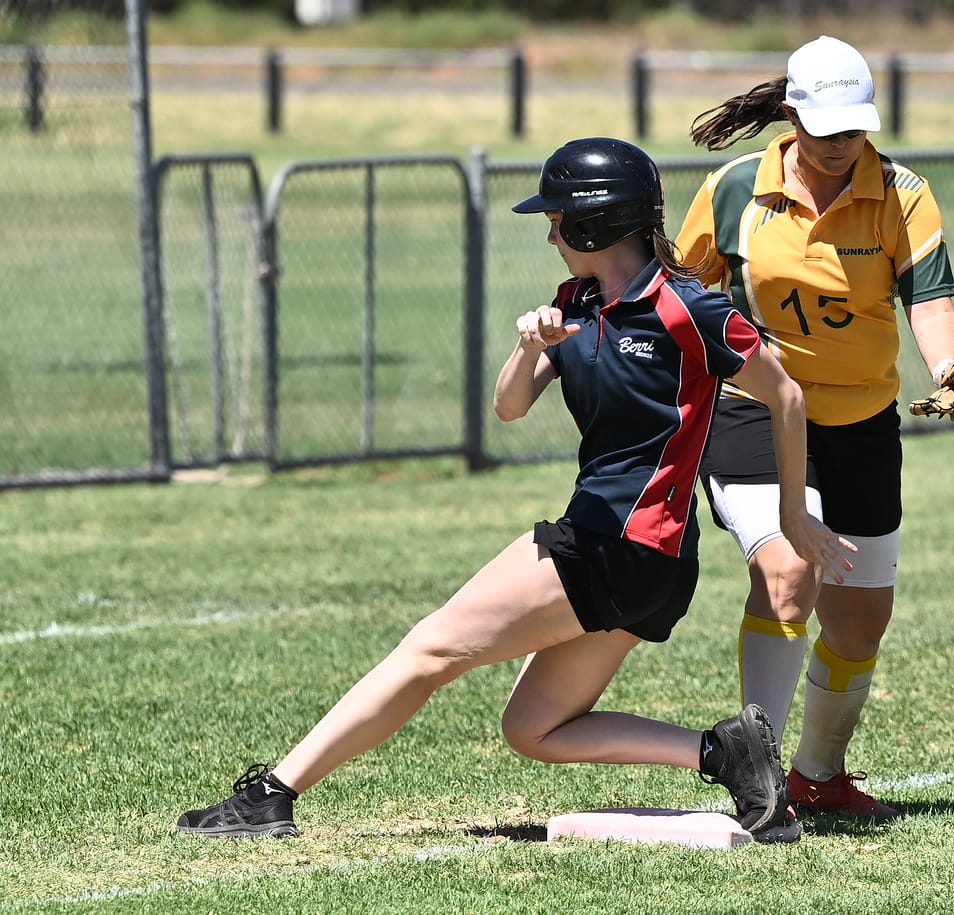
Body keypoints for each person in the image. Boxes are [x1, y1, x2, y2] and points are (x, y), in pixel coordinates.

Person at [175, 137, 855, 845]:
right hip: (641, 560)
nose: (551, 231)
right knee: (532, 727)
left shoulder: (690, 310)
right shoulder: (572, 301)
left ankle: (272, 794)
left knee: (428, 649)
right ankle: (724, 753)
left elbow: (785, 395)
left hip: (616, 546)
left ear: (594, 224)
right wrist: (532, 343)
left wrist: (789, 517)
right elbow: (508, 406)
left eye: (559, 219)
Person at [675, 36, 954, 821]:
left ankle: (815, 774)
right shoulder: (736, 188)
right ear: (791, 114)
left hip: (860, 421)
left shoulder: (901, 191)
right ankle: (756, 781)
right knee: (787, 574)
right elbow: (676, 289)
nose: (844, 144)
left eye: (855, 127)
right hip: (754, 411)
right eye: (827, 127)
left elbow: (930, 300)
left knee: (860, 619)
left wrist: (949, 371)